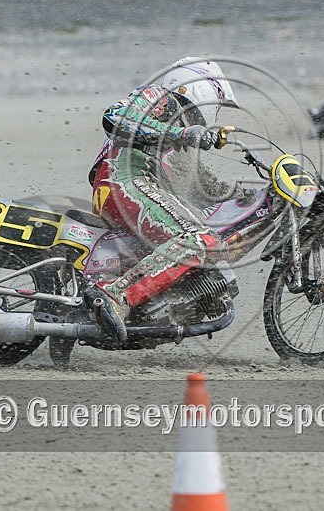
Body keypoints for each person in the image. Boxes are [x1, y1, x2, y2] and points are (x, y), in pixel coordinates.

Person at [84, 57, 239, 343]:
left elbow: (207, 187)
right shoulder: (159, 97)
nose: (213, 114)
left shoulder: (181, 144)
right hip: (124, 181)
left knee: (206, 237)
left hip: (130, 191)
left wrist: (249, 194)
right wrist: (180, 133)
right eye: (216, 104)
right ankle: (114, 296)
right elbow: (114, 117)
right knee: (199, 240)